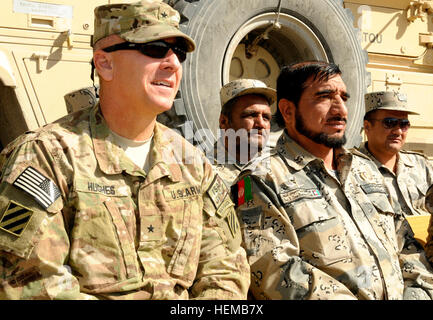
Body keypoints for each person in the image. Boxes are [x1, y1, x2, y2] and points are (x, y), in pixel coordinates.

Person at [0, 1, 250, 299]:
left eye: (179, 53)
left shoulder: (191, 162)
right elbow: (30, 280)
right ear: (105, 63)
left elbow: (227, 265)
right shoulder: (46, 156)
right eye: (155, 48)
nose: (173, 63)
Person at [233, 60, 433, 299]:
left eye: (344, 98)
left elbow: (406, 246)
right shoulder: (262, 180)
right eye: (325, 97)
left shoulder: (365, 170)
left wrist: (418, 295)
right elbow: (275, 271)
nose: (340, 110)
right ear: (288, 111)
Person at [356, 91, 433, 218]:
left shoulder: (421, 165)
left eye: (404, 124)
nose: (398, 131)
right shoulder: (350, 168)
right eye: (389, 123)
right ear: (367, 126)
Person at [213, 79, 276, 187]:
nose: (261, 124)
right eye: (251, 115)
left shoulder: (277, 166)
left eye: (266, 117)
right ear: (224, 122)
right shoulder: (204, 171)